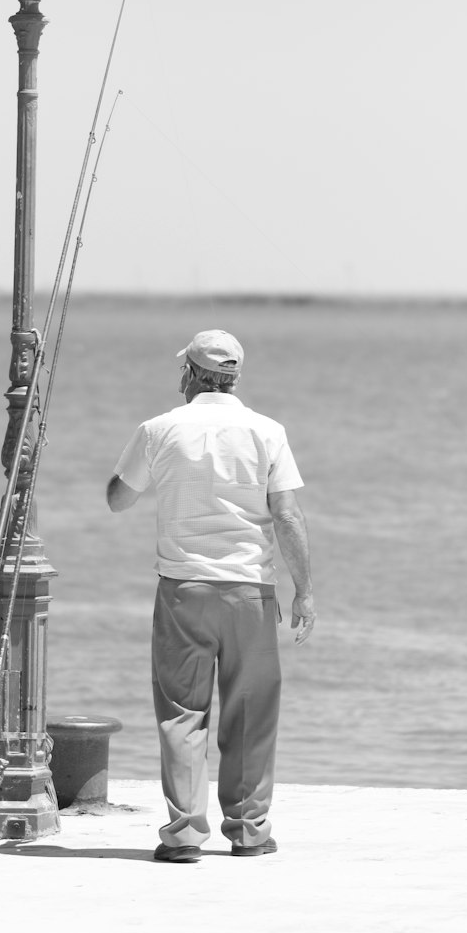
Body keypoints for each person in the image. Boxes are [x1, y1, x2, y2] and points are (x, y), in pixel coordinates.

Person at [106, 329, 314, 862]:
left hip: (183, 590)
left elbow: (118, 500)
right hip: (250, 590)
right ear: (235, 375)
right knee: (251, 712)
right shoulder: (268, 432)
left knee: (181, 713)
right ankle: (248, 831)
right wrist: (304, 592)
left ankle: (183, 835)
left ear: (193, 375)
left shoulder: (159, 428)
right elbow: (287, 515)